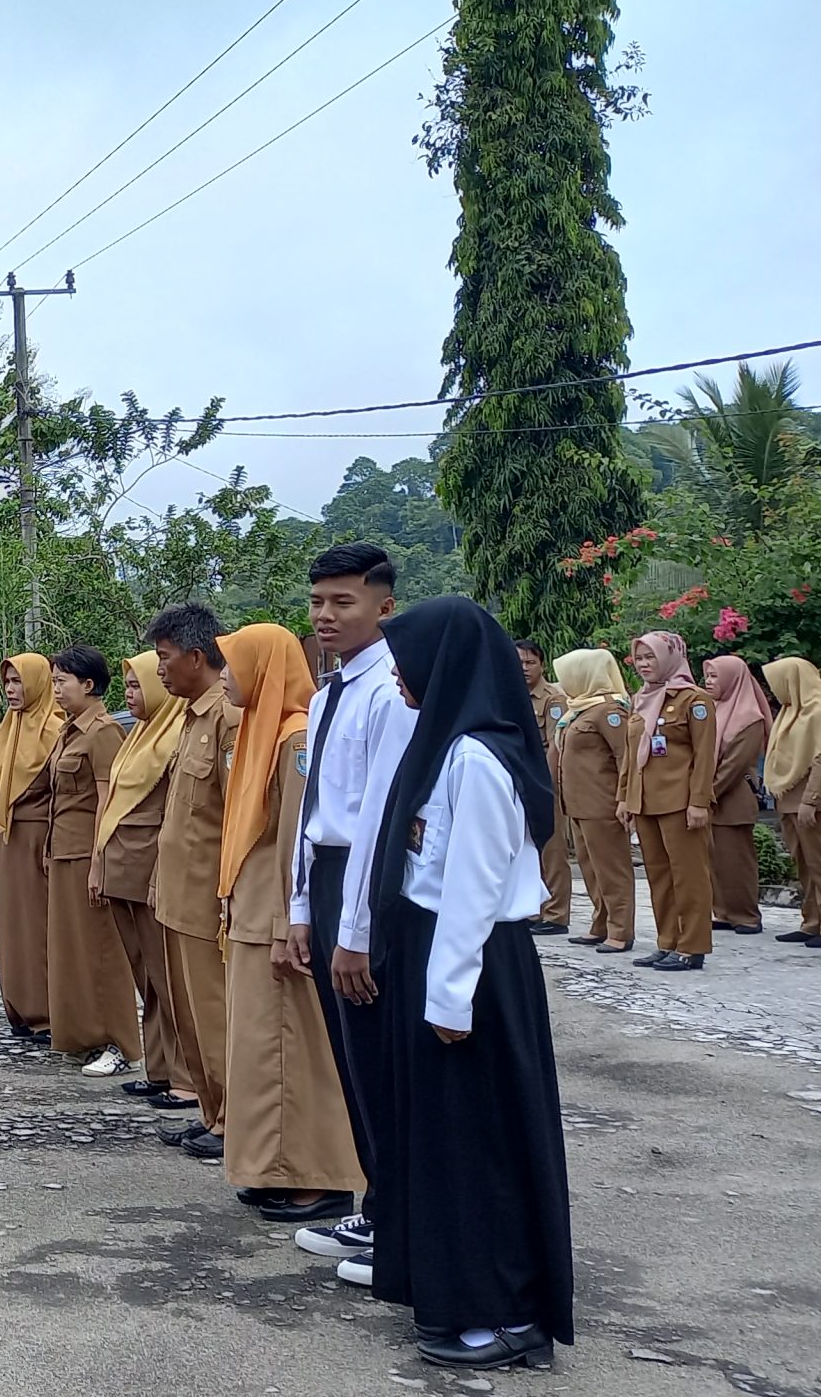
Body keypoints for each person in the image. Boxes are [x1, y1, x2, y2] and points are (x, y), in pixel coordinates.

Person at [369, 595, 575, 1372]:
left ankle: (506, 1310)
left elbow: (475, 888)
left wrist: (449, 995)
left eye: (408, 661)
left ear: (448, 665)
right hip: (439, 953)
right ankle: (454, 1290)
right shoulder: (446, 744)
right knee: (444, 1139)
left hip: (474, 964)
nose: (398, 675)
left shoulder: (479, 760)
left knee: (481, 1141)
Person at [287, 543, 415, 1271]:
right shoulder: (327, 692)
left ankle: (399, 1220)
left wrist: (356, 930)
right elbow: (314, 812)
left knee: (376, 1055)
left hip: (368, 887)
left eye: (344, 602)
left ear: (384, 607)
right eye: (317, 602)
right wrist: (302, 909)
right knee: (350, 1056)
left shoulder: (389, 692)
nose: (325, 616)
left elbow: (378, 820)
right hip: (330, 878)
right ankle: (378, 1206)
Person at [216, 623, 364, 1225]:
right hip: (252, 911)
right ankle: (271, 1168)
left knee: (290, 1050)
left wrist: (286, 921)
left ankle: (316, 1177)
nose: (225, 677)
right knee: (259, 1050)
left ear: (263, 668)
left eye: (233, 664)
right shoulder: (260, 729)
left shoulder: (294, 736)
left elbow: (296, 840)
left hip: (277, 917)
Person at [145, 605, 235, 1161]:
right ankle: (210, 1110)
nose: (160, 669)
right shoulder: (189, 716)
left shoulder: (226, 716)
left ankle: (231, 1120)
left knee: (214, 1011)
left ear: (196, 657)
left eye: (165, 657)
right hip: (177, 893)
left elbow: (235, 816)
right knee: (190, 1015)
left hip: (206, 898)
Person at [96, 655, 192, 1109]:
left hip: (152, 871)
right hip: (125, 871)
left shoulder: (174, 735)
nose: (130, 694)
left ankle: (186, 1075)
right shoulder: (140, 735)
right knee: (147, 977)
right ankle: (160, 1068)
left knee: (168, 978)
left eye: (138, 686)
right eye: (129, 686)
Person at [44, 646, 140, 1075]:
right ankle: (85, 1035)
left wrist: (100, 862)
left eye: (62, 681)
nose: (56, 689)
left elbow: (106, 801)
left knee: (102, 950)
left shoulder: (103, 732)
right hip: (65, 850)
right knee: (73, 951)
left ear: (88, 684)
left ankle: (120, 1044)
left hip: (88, 853)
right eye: (53, 681)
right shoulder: (69, 730)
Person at [619, 632, 717, 972]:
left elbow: (704, 756)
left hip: (680, 801)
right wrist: (624, 797)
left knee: (688, 876)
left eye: (651, 657)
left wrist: (699, 801)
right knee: (659, 876)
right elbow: (631, 755)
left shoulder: (694, 700)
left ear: (670, 658)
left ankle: (692, 946)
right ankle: (668, 941)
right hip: (645, 801)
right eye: (639, 658)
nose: (644, 664)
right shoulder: (641, 699)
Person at [0, 653, 62, 1041]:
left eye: (19, 682)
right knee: (11, 925)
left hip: (38, 836)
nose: (11, 690)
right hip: (9, 837)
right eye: (7, 682)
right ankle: (17, 1005)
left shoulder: (56, 729)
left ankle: (45, 1010)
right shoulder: (6, 729)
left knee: (38, 926)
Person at [762, 657, 821, 950]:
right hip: (789, 800)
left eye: (778, 681)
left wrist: (810, 800)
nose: (775, 689)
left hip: (814, 801)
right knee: (804, 864)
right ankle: (812, 921)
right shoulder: (791, 711)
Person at [552, 650, 638, 953]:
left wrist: (624, 798)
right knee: (591, 868)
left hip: (602, 802)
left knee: (611, 869)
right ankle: (600, 923)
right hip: (578, 803)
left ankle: (620, 930)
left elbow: (625, 756)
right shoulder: (579, 709)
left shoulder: (609, 710)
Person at [704, 655, 774, 936]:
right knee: (716, 860)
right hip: (710, 798)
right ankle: (723, 911)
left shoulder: (748, 717)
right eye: (707, 676)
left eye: (715, 677)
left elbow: (735, 764)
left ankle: (746, 915)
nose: (709, 682)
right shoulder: (713, 709)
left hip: (732, 797)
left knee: (736, 861)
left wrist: (707, 792)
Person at [517, 639, 576, 936]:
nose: (524, 668)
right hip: (520, 777)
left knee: (552, 850)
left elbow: (556, 744)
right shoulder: (511, 693)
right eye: (519, 662)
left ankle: (556, 913)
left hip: (544, 779)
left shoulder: (553, 699)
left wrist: (547, 783)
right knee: (529, 848)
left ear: (541, 665)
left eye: (531, 662)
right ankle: (535, 907)